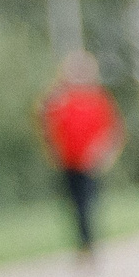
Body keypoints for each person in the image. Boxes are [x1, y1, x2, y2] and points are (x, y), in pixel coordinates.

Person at [39, 52, 122, 263]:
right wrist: (52, 150)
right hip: (67, 162)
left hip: (89, 164)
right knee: (73, 205)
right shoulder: (59, 99)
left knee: (87, 203)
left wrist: (103, 153)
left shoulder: (98, 98)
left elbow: (112, 131)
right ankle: (83, 244)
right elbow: (47, 124)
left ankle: (88, 245)